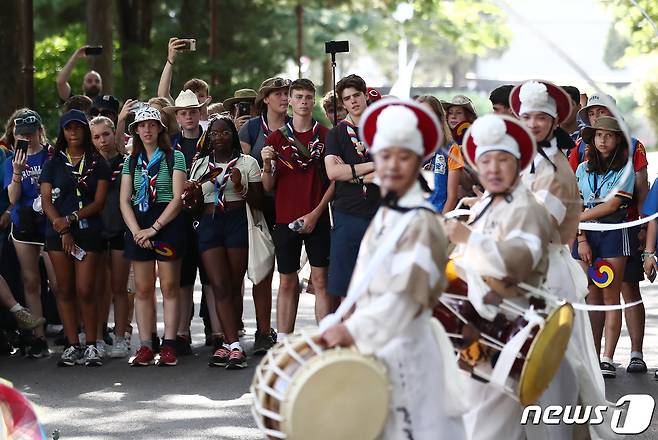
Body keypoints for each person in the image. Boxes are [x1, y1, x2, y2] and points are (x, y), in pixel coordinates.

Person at [321, 99, 467, 439]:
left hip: (408, 352)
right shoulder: (389, 211)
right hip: (379, 346)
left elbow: (407, 297)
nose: (391, 165)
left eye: (403, 157)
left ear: (418, 161)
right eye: (385, 156)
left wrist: (351, 330)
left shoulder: (421, 221)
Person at [510, 80, 613, 440]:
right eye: (527, 117)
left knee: (560, 372)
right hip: (524, 272)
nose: (533, 123)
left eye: (541, 117)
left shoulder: (555, 168)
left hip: (548, 276)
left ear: (554, 121)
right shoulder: (527, 162)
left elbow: (538, 228)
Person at [444, 114, 552, 440]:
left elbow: (519, 261)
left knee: (488, 428)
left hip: (510, 331)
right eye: (485, 160)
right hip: (478, 330)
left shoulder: (527, 208)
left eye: (502, 160)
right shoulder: (487, 202)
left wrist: (469, 239)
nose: (492, 168)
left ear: (518, 163)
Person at [570, 94, 649, 374]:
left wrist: (644, 230)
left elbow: (619, 201)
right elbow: (574, 199)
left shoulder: (630, 156)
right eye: (597, 133)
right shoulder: (580, 163)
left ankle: (612, 356)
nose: (603, 139)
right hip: (586, 236)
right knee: (591, 293)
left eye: (609, 135)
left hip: (618, 231)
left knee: (615, 293)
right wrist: (579, 235)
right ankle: (591, 356)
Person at [188, 115, 264, 368]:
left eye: (224, 133)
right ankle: (232, 345)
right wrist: (195, 195)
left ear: (232, 135)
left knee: (233, 284)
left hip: (237, 222)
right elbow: (194, 207)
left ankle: (230, 343)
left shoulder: (247, 162)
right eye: (214, 134)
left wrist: (241, 186)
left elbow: (259, 202)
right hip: (210, 225)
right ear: (208, 138)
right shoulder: (200, 165)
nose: (219, 137)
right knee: (218, 285)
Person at [261, 78, 334, 336]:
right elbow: (268, 186)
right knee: (286, 280)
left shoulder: (326, 136)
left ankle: (325, 340)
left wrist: (317, 213)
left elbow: (333, 181)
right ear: (289, 101)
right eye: (298, 97)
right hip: (285, 217)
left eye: (308, 98)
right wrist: (267, 164)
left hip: (318, 217)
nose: (303, 102)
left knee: (321, 281)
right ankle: (283, 341)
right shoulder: (276, 138)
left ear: (313, 101)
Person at [40, 110, 111, 367]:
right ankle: (72, 345)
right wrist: (63, 229)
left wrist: (70, 219)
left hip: (89, 231)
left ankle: (91, 344)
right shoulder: (53, 162)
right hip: (57, 232)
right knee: (65, 289)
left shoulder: (97, 162)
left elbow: (99, 202)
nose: (73, 132)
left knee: (85, 289)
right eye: (68, 128)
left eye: (78, 128)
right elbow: (46, 201)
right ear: (62, 132)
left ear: (84, 131)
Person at [119, 106, 186, 367]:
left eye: (152, 124)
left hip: (166, 222)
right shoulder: (130, 161)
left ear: (160, 128)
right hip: (139, 222)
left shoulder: (174, 156)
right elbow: (125, 201)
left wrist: (154, 229)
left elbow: (178, 199)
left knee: (169, 286)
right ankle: (146, 344)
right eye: (142, 125)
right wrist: (137, 231)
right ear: (135, 130)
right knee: (143, 288)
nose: (147, 129)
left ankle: (169, 344)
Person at [237, 77, 293, 352]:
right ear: (266, 99)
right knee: (262, 270)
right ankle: (262, 330)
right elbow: (242, 165)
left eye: (287, 93)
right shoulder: (250, 128)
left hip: (290, 203)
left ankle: (284, 333)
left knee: (287, 271)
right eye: (279, 93)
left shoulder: (297, 126)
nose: (285, 98)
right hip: (260, 204)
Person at [4, 109, 56, 358]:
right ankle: (39, 338)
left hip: (49, 221)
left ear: (39, 131)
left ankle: (73, 333)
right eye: (21, 134)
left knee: (58, 283)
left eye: (30, 133)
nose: (26, 139)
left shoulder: (51, 154)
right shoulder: (10, 160)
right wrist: (17, 171)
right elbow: (12, 198)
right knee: (31, 281)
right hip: (24, 224)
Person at [162, 89, 211, 355]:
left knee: (211, 275)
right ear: (177, 117)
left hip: (207, 213)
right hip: (179, 216)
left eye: (193, 111)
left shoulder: (211, 140)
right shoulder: (170, 145)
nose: (189, 117)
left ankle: (215, 330)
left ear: (200, 112)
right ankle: (181, 331)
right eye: (183, 113)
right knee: (183, 277)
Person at [324, 74, 379, 301]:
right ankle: (349, 334)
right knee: (347, 288)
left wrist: (351, 171)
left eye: (357, 95)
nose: (353, 101)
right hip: (347, 213)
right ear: (343, 103)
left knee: (378, 282)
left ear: (366, 95)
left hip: (380, 212)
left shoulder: (382, 129)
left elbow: (390, 172)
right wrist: (371, 169)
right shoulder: (336, 133)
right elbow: (333, 172)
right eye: (347, 98)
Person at [89, 116, 131, 359]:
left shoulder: (126, 163)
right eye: (96, 136)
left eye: (106, 134)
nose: (102, 140)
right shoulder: (90, 166)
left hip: (120, 231)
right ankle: (98, 335)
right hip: (95, 232)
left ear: (114, 134)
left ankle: (120, 336)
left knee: (119, 286)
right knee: (97, 287)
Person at [416, 95, 464, 213]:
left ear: (439, 117)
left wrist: (441, 225)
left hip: (437, 217)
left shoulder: (451, 148)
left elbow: (452, 197)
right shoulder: (410, 149)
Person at [157, 38, 213, 122]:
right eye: (192, 95)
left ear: (208, 99)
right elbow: (163, 95)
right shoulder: (181, 122)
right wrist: (170, 60)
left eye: (201, 95)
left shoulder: (214, 125)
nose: (196, 99)